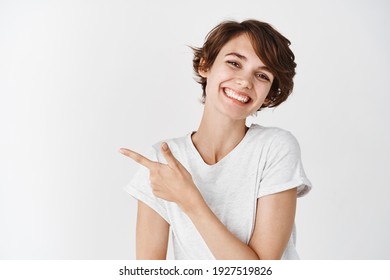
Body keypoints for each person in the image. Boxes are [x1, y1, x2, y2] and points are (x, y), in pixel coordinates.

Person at [119, 19, 312, 260]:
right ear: (205, 65)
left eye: (262, 75)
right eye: (234, 63)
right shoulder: (162, 159)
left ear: (269, 93)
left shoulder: (276, 148)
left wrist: (190, 200)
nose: (245, 81)